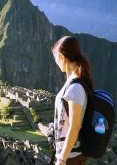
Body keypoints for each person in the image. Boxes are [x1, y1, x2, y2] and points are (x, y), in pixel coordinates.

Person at [38, 36, 94, 165]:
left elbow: (75, 126)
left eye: (56, 59)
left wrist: (62, 159)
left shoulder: (75, 87)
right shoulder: (73, 83)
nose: (56, 63)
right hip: (68, 154)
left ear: (62, 57)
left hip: (70, 157)